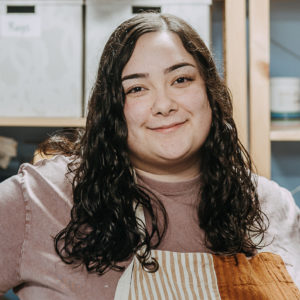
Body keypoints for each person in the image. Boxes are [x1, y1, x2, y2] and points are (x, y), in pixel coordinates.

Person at [0, 12, 299, 300]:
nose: (164, 104)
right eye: (137, 88)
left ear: (210, 92)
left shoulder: (273, 205)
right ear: (112, 109)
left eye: (181, 80)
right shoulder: (41, 197)